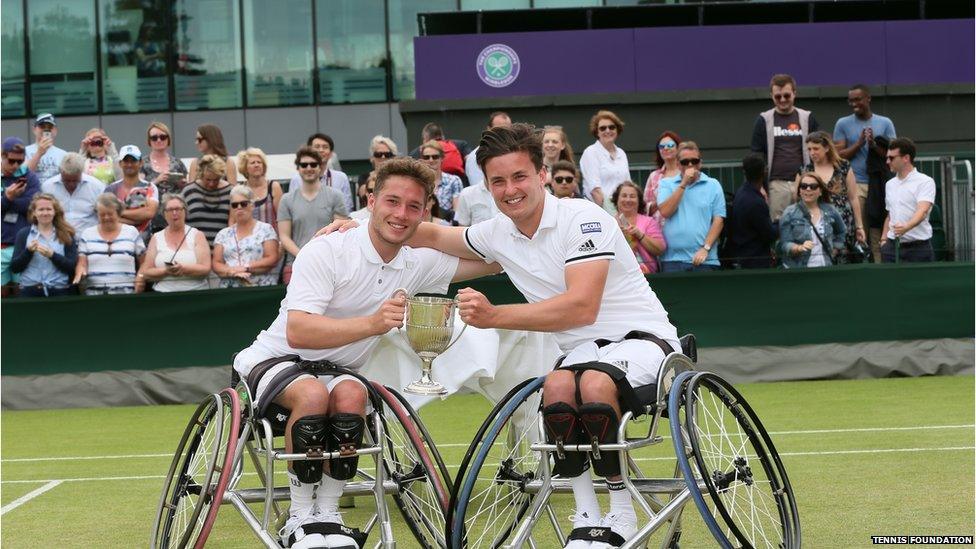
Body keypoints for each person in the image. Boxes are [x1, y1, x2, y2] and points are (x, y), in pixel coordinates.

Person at [373, 123, 680, 547]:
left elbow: (581, 307)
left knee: (589, 382)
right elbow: (430, 232)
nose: (509, 189)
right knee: (553, 387)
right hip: (577, 357)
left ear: (541, 175)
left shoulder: (585, 219)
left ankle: (621, 509)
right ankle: (587, 515)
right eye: (497, 181)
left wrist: (496, 315)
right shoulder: (497, 232)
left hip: (644, 344)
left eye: (519, 177)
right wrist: (354, 226)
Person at [232, 157, 499, 548]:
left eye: (413, 206)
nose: (401, 213)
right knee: (312, 393)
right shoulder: (326, 249)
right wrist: (373, 323)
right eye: (391, 201)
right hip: (275, 359)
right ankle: (299, 518)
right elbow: (299, 329)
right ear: (370, 200)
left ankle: (329, 514)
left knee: (353, 395)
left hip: (339, 369)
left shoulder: (417, 259)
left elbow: (493, 259)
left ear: (426, 212)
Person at [833, 84, 897, 258]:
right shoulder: (842, 123)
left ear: (868, 99)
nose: (854, 103)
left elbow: (893, 154)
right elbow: (837, 154)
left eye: (858, 99)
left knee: (878, 231)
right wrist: (859, 143)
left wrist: (874, 145)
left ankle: (879, 269)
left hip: (880, 184)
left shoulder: (885, 122)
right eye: (851, 100)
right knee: (859, 232)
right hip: (856, 184)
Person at [749, 74, 820, 221]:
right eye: (778, 96)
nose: (782, 100)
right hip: (777, 184)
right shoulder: (764, 119)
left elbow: (820, 149)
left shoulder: (807, 117)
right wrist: (759, 185)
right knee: (779, 226)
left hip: (805, 182)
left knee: (809, 223)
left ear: (795, 93)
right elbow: (757, 155)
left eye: (786, 95)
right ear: (771, 96)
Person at [278, 148, 348, 283]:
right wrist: (304, 256)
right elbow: (284, 236)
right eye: (304, 165)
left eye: (313, 164)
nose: (308, 168)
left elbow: (341, 231)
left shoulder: (335, 196)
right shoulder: (287, 199)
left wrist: (317, 257)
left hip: (329, 264)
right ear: (298, 168)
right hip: (295, 264)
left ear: (320, 167)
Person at [656, 142, 726, 272]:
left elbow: (719, 220)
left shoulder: (713, 185)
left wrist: (706, 248)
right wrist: (683, 184)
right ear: (677, 164)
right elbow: (665, 211)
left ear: (700, 163)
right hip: (673, 260)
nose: (690, 165)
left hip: (705, 259)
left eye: (694, 161)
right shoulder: (666, 184)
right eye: (685, 162)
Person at [797, 132, 864, 262]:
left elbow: (853, 197)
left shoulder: (843, 167)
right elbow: (798, 200)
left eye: (816, 148)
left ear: (827, 148)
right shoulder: (805, 170)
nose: (812, 153)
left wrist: (859, 226)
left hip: (844, 225)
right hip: (816, 227)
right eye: (809, 149)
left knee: (844, 263)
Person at [135, 194, 210, 293]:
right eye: (170, 210)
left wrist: (183, 268)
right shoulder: (156, 237)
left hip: (195, 293)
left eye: (178, 209)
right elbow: (147, 271)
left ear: (185, 211)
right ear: (164, 214)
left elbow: (206, 269)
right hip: (164, 295)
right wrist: (166, 271)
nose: (174, 213)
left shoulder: (197, 235)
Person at [74, 193, 146, 295]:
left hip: (126, 294)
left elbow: (144, 262)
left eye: (110, 214)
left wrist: (140, 277)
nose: (106, 217)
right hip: (94, 295)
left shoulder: (131, 232)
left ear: (118, 213)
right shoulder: (87, 234)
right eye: (102, 214)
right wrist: (81, 273)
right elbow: (82, 263)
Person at [10, 193, 77, 297]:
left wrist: (52, 255)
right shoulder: (23, 234)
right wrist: (28, 252)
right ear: (34, 213)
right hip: (29, 292)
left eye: (49, 209)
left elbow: (72, 267)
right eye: (41, 209)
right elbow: (15, 268)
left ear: (55, 212)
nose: (45, 213)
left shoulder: (67, 234)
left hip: (59, 292)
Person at [880, 138, 935, 263]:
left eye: (892, 158)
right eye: (887, 157)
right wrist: (883, 240)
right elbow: (890, 214)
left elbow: (922, 211)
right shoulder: (890, 184)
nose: (888, 161)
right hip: (891, 248)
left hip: (918, 248)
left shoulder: (925, 181)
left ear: (906, 158)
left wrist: (906, 227)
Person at [213, 185, 280, 288]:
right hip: (229, 287)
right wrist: (232, 271)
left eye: (243, 204)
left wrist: (246, 267)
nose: (239, 207)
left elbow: (272, 258)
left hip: (261, 286)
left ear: (252, 205)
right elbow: (216, 263)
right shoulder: (223, 234)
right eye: (235, 205)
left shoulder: (266, 229)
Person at [779, 172, 846, 268]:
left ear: (821, 191)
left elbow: (842, 231)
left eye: (813, 186)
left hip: (825, 267)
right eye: (803, 186)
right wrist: (799, 248)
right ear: (799, 191)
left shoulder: (831, 210)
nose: (808, 189)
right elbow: (784, 244)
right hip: (798, 268)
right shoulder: (789, 212)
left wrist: (834, 249)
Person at [2, 137, 41, 296]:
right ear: (2, 155)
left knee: (22, 292)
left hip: (24, 245)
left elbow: (32, 205)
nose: (16, 165)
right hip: (1, 245)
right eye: (11, 161)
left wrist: (6, 200)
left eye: (20, 161)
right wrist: (9, 198)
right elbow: (23, 203)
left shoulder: (29, 176)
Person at [725, 153, 777, 269]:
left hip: (742, 256)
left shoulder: (741, 193)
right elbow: (770, 234)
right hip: (755, 261)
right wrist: (780, 222)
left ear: (744, 172)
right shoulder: (755, 202)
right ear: (764, 171)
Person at [104, 145, 159, 242]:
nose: (129, 164)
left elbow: (149, 212)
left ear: (141, 163)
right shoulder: (110, 189)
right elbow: (106, 217)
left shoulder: (150, 187)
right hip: (117, 245)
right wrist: (137, 218)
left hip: (144, 244)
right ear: (120, 163)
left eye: (133, 160)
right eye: (126, 161)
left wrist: (119, 212)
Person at [141, 122, 189, 232]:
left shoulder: (177, 163)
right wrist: (156, 181)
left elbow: (187, 189)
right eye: (154, 138)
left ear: (168, 139)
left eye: (163, 137)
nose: (159, 140)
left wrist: (181, 184)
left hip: (175, 216)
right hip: (151, 218)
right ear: (149, 141)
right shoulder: (142, 163)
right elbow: (138, 190)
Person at [41, 153, 106, 233]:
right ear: (61, 172)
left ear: (81, 173)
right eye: (67, 181)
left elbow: (104, 214)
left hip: (88, 238)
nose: (71, 184)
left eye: (75, 181)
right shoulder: (48, 187)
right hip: (57, 237)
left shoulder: (96, 186)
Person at [290, 134, 355, 212]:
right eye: (317, 147)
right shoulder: (297, 179)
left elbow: (347, 208)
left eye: (325, 147)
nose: (321, 150)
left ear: (331, 153)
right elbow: (292, 208)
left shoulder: (341, 178)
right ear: (309, 151)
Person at [579, 110, 629, 210]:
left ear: (617, 129)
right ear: (597, 132)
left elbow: (627, 184)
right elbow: (595, 191)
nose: (607, 131)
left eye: (611, 127)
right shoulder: (590, 152)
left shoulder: (622, 153)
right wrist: (611, 213)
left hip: (623, 210)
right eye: (602, 128)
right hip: (600, 210)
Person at [612, 181, 665, 274]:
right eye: (624, 196)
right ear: (617, 199)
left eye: (632, 196)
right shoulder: (609, 222)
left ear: (639, 201)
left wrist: (639, 235)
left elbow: (660, 249)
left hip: (646, 274)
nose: (628, 200)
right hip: (617, 274)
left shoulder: (649, 222)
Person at [181, 154, 232, 245]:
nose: (211, 184)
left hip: (221, 249)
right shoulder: (189, 191)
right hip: (194, 248)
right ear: (200, 175)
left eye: (216, 180)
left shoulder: (230, 192)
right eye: (208, 180)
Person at [237, 147, 284, 229]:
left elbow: (282, 218)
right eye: (252, 163)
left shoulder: (274, 187)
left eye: (259, 162)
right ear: (245, 168)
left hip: (272, 239)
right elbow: (235, 219)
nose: (256, 165)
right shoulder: (239, 190)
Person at [465, 111, 513, 188]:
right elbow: (480, 189)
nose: (504, 133)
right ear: (489, 129)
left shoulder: (515, 152)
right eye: (499, 129)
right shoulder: (474, 157)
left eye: (508, 129)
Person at [420, 140, 463, 222]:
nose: (431, 160)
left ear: (442, 158)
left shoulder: (454, 181)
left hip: (445, 225)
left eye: (435, 156)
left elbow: (456, 211)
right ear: (422, 159)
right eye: (426, 157)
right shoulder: (418, 182)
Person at [643, 131, 681, 219]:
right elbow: (645, 208)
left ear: (678, 148)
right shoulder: (653, 176)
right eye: (661, 146)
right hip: (658, 228)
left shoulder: (685, 173)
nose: (666, 148)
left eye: (670, 145)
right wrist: (661, 202)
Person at [25, 113, 67, 183]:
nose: (46, 130)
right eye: (42, 127)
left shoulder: (63, 154)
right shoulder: (25, 151)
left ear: (55, 131)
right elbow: (25, 175)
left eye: (50, 127)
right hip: (33, 192)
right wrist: (39, 153)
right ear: (34, 130)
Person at [356, 136, 397, 208]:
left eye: (387, 154)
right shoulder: (364, 177)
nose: (383, 157)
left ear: (393, 157)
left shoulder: (398, 177)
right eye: (378, 154)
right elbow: (364, 194)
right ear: (372, 158)